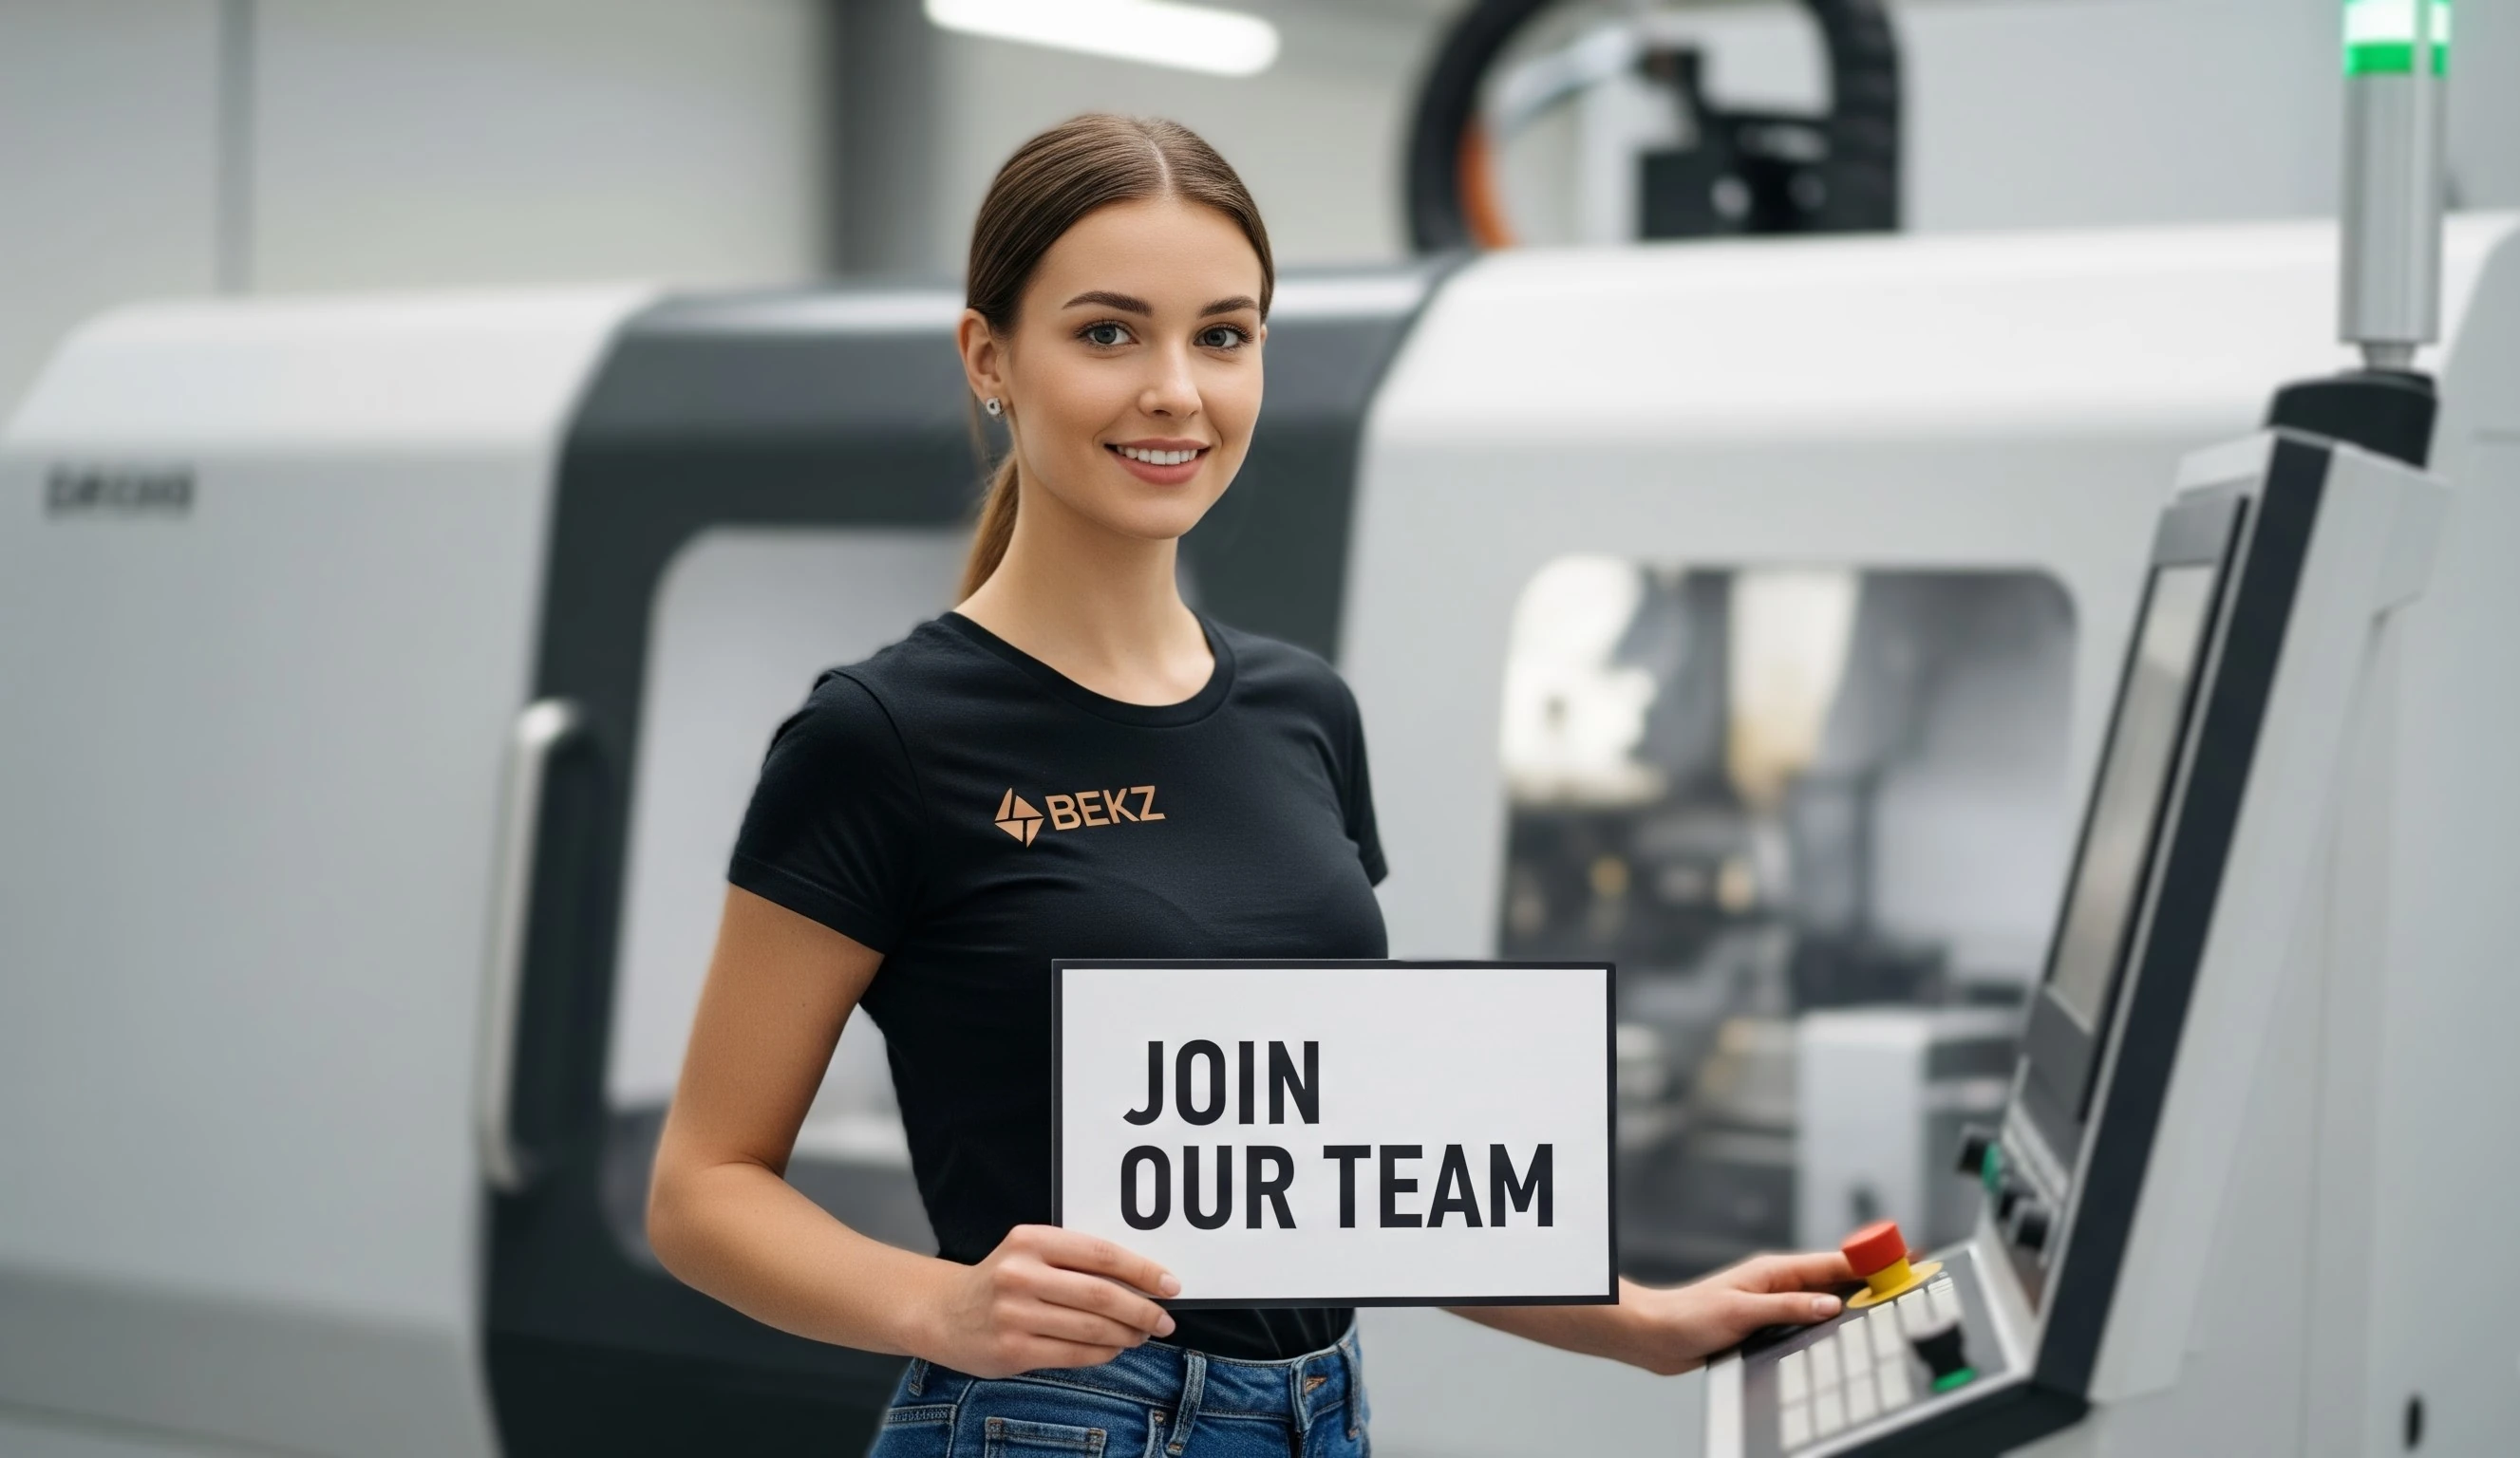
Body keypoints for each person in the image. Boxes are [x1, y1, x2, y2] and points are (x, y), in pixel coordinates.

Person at [645, 113, 1852, 1457]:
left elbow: (1337, 1179)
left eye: (1222, 335)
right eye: (1108, 333)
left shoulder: (1301, 711)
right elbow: (702, 1190)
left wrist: (1642, 1320)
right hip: (1055, 1425)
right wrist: (941, 1307)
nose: (1177, 390)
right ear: (990, 358)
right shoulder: (882, 736)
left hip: (1315, 1415)